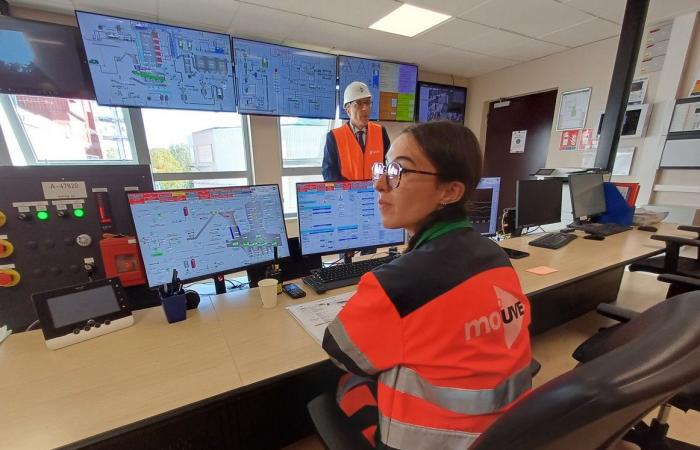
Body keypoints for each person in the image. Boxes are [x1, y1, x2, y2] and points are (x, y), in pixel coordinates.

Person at [322, 121, 532, 449]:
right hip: (503, 432)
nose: (379, 183)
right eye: (384, 168)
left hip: (429, 441)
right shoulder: (496, 257)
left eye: (399, 172)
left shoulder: (399, 283)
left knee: (348, 382)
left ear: (449, 192)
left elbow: (341, 352)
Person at [322, 81, 391, 181]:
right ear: (348, 110)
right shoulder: (334, 136)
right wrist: (348, 190)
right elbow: (328, 172)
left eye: (367, 102)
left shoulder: (380, 132)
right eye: (358, 103)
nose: (365, 108)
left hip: (376, 193)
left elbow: (389, 164)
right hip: (348, 194)